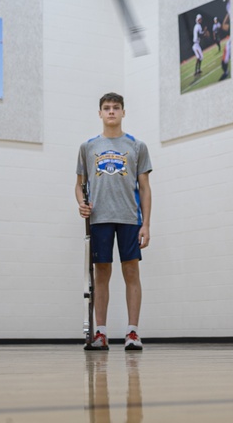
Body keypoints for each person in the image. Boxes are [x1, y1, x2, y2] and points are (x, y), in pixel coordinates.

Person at [76, 92, 152, 351]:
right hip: (100, 219)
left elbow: (145, 188)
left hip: (129, 218)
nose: (111, 112)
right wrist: (81, 203)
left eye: (116, 108)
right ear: (99, 113)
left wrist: (147, 224)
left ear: (123, 112)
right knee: (102, 273)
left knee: (131, 272)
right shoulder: (87, 147)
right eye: (106, 108)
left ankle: (132, 332)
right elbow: (79, 185)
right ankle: (101, 333)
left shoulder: (137, 146)